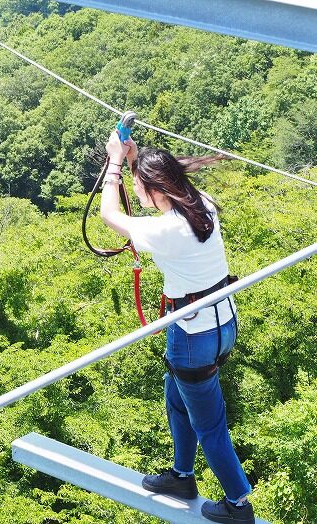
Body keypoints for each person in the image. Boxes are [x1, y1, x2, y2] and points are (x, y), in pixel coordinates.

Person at [99, 130, 255, 524]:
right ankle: (182, 476)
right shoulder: (202, 205)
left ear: (156, 190)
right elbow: (151, 199)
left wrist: (116, 162)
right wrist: (137, 162)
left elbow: (110, 216)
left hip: (192, 336)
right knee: (175, 396)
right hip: (221, 321)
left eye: (141, 186)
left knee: (210, 425)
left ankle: (238, 503)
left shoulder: (166, 231)